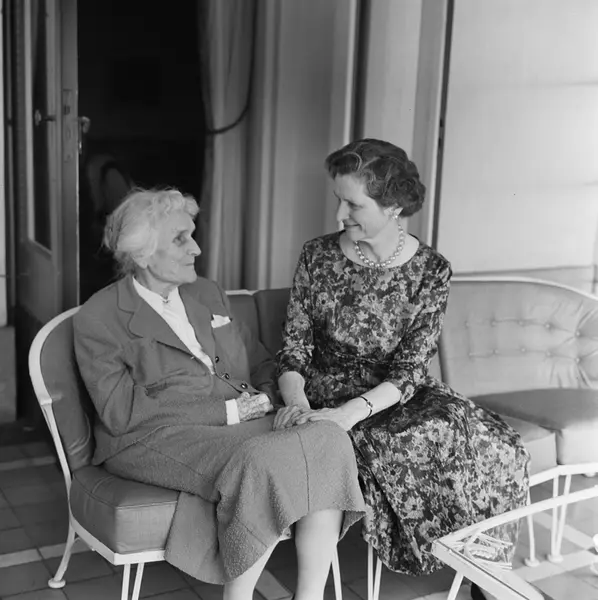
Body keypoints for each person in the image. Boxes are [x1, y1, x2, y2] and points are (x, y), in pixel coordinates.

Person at [73, 188, 365, 600]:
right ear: (142, 254)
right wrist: (228, 411)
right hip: (148, 437)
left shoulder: (206, 292)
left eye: (192, 235)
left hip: (245, 421)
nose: (195, 248)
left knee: (328, 437)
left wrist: (276, 401)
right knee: (264, 459)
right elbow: (120, 411)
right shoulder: (99, 317)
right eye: (180, 239)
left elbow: (260, 361)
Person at [275, 139, 530, 599]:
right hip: (324, 395)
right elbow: (294, 351)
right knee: (387, 442)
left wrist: (350, 414)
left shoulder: (431, 269)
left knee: (493, 443)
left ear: (393, 205)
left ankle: (487, 578)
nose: (340, 214)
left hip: (390, 396)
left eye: (353, 204)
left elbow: (410, 369)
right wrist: (300, 407)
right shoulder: (317, 256)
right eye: (339, 200)